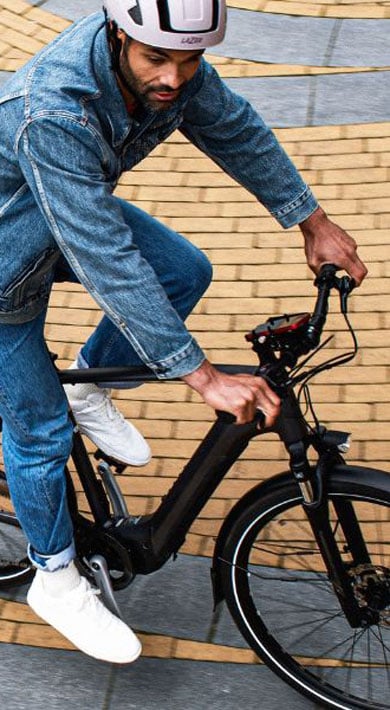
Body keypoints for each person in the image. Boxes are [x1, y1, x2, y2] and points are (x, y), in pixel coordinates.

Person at [0, 0, 367, 663]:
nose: (175, 78)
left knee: (182, 270)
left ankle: (88, 389)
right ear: (119, 35)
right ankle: (54, 577)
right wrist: (199, 376)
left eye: (189, 59)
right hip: (2, 272)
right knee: (39, 430)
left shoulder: (171, 66)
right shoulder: (54, 110)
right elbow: (105, 256)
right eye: (157, 60)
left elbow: (235, 129)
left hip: (54, 208)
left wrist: (310, 219)